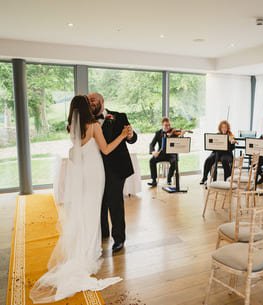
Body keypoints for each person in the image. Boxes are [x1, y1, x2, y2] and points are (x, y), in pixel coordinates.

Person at [30, 95, 127, 303]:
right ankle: (89, 252)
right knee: (92, 212)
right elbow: (107, 149)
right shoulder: (93, 126)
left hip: (81, 174)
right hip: (94, 173)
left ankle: (86, 248)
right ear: (85, 108)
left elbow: (76, 149)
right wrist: (121, 135)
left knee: (85, 210)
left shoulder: (72, 127)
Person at [88, 92, 137, 253]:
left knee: (115, 203)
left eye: (93, 99)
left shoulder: (119, 116)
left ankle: (119, 239)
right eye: (88, 100)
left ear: (102, 101)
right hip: (96, 168)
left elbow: (132, 137)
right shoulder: (87, 121)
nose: (91, 102)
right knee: (99, 201)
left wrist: (130, 135)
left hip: (116, 167)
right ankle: (103, 233)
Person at [200, 120, 236, 187]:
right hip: (217, 152)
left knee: (224, 160)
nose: (224, 129)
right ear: (220, 128)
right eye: (222, 127)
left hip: (226, 153)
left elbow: (232, 148)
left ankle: (227, 180)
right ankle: (204, 178)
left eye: (225, 127)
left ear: (228, 128)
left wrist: (232, 142)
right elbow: (213, 146)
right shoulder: (217, 135)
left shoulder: (231, 136)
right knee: (208, 159)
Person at [147, 117, 178, 187]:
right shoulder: (158, 133)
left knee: (175, 162)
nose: (168, 127)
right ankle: (154, 180)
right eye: (166, 125)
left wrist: (181, 134)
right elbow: (151, 144)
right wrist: (153, 152)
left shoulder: (174, 132)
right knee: (152, 160)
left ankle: (169, 178)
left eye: (169, 125)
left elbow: (179, 142)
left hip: (171, 154)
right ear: (162, 125)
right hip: (161, 154)